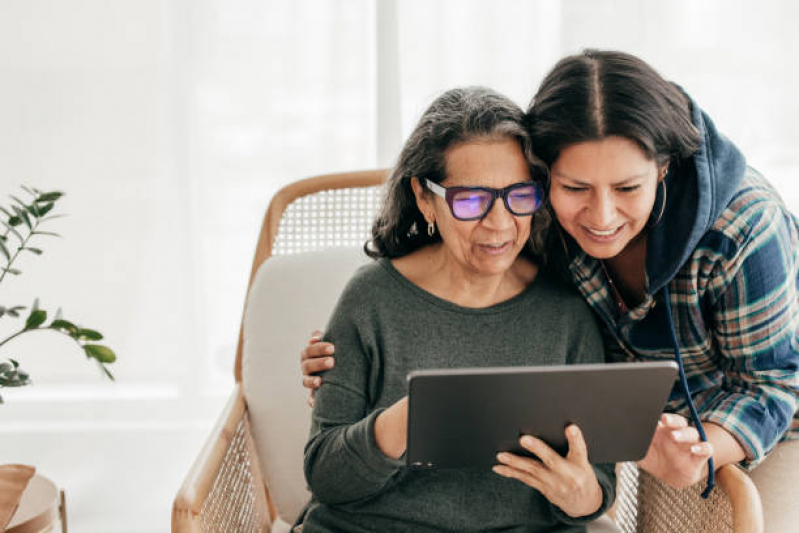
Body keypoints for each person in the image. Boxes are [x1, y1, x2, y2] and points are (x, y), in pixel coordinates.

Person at [301, 50, 799, 496]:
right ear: (545, 177)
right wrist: (349, 368)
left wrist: (703, 454)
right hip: (642, 426)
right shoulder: (533, 220)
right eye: (575, 187)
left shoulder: (743, 229)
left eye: (627, 187)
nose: (601, 217)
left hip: (757, 425)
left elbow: (774, 381)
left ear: (663, 169)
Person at [294, 87, 616, 533]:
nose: (499, 223)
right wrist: (403, 425)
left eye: (519, 195)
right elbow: (326, 477)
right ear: (425, 199)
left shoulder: (567, 311)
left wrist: (582, 497)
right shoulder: (371, 298)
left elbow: (599, 484)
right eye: (469, 201)